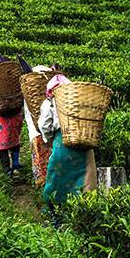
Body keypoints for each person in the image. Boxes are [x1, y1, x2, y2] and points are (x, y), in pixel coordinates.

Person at [38, 74, 97, 227]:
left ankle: (56, 216)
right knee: (84, 180)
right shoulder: (80, 101)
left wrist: (49, 138)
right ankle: (80, 217)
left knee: (56, 179)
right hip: (84, 144)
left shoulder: (50, 102)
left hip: (62, 143)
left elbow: (45, 125)